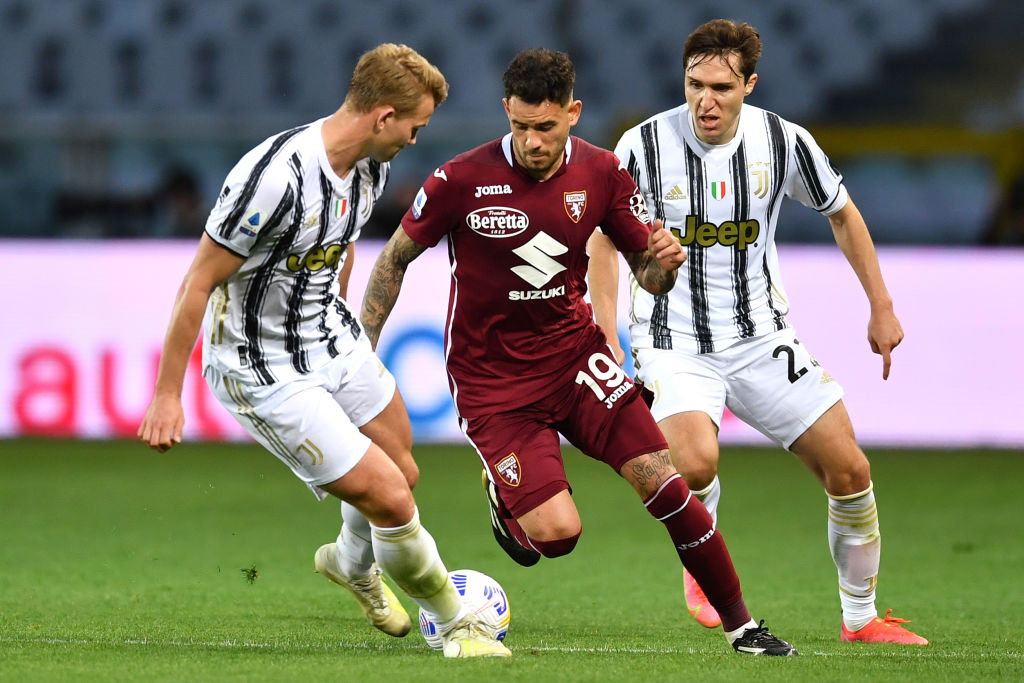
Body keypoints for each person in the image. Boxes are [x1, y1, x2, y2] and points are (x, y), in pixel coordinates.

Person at [360, 47, 797, 656]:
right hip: (494, 383)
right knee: (558, 536)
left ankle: (743, 627)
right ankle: (506, 495)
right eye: (520, 126)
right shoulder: (459, 179)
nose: (532, 142)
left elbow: (648, 273)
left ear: (573, 113)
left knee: (666, 484)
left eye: (545, 127)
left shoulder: (604, 173)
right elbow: (394, 259)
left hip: (576, 358)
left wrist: (663, 265)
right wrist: (364, 349)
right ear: (506, 112)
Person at [137, 43, 510, 659]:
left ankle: (347, 561)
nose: (417, 139)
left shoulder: (370, 166)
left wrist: (345, 331)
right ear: (383, 116)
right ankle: (456, 624)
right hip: (261, 366)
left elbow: (336, 246)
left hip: (326, 337)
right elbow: (198, 281)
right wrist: (167, 394)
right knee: (391, 496)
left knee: (404, 469)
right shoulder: (272, 179)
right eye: (415, 125)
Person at [586, 19, 927, 645]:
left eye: (721, 86)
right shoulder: (640, 146)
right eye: (693, 85)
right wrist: (607, 333)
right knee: (691, 461)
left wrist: (881, 305)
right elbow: (603, 241)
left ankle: (861, 620)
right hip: (672, 338)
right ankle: (700, 558)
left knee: (850, 470)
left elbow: (843, 214)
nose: (704, 101)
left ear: (749, 84)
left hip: (761, 337)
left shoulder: (784, 141)